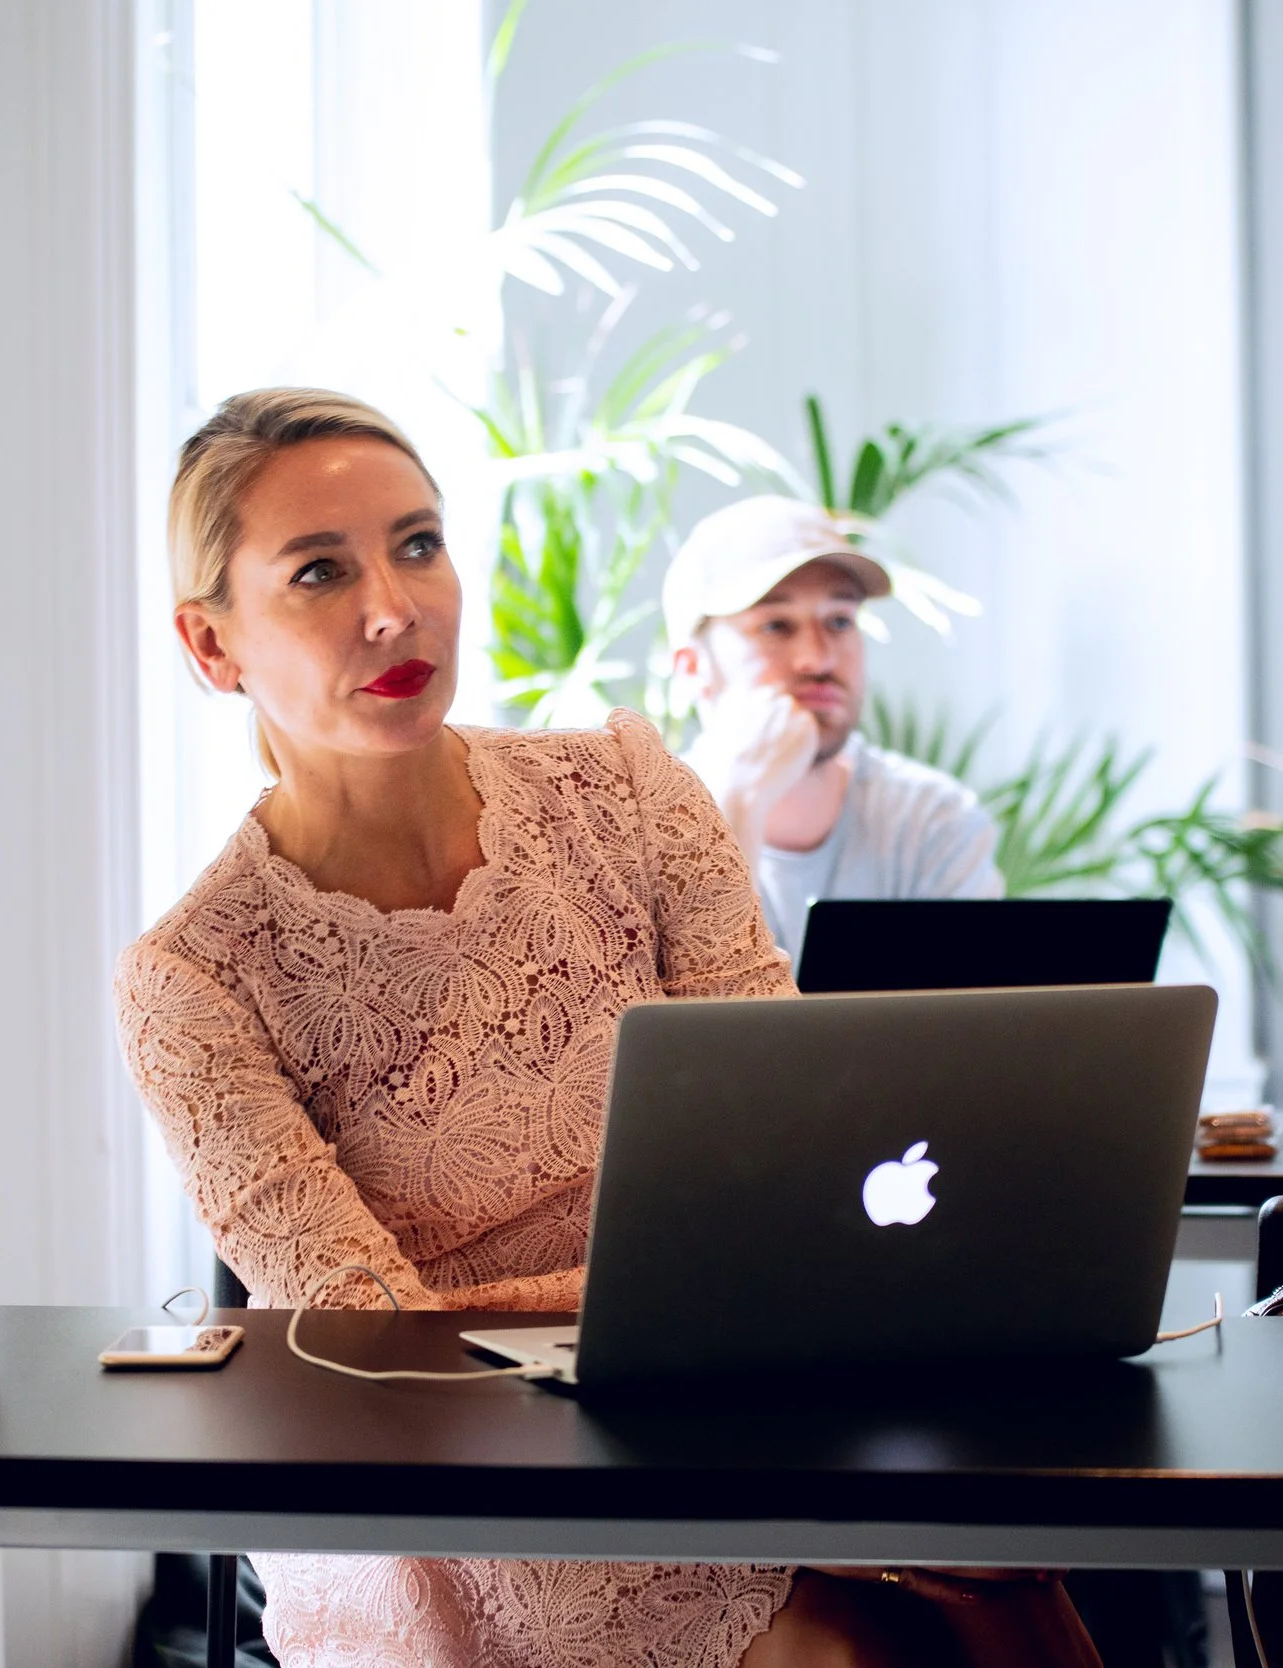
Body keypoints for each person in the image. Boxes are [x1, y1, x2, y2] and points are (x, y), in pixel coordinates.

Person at [115, 389, 1101, 1668]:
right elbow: (364, 1346)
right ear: (212, 645)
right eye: (319, 571)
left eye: (418, 544)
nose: (393, 608)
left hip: (735, 1390)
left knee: (1015, 1599)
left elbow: (803, 1135)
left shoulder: (624, 790)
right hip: (457, 1484)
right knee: (862, 1647)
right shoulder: (192, 978)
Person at [665, 495, 1002, 963]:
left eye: (839, 621)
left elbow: (976, 1030)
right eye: (776, 626)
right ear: (694, 667)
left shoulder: (931, 823)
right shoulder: (634, 832)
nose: (819, 658)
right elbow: (684, 1024)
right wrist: (739, 798)